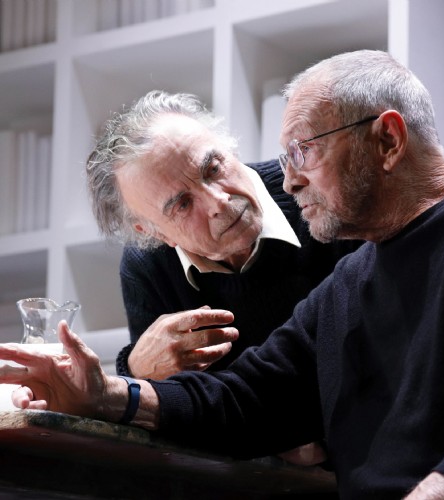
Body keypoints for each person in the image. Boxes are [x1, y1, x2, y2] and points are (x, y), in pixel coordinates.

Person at [0, 50, 444, 499]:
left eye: (303, 151)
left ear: (388, 141)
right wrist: (107, 394)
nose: (286, 180)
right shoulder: (350, 283)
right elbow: (244, 400)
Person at [85, 90, 361, 381]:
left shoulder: (317, 188)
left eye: (213, 169)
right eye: (183, 204)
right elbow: (168, 404)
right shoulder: (148, 266)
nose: (219, 203)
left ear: (230, 148)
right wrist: (136, 370)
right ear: (152, 231)